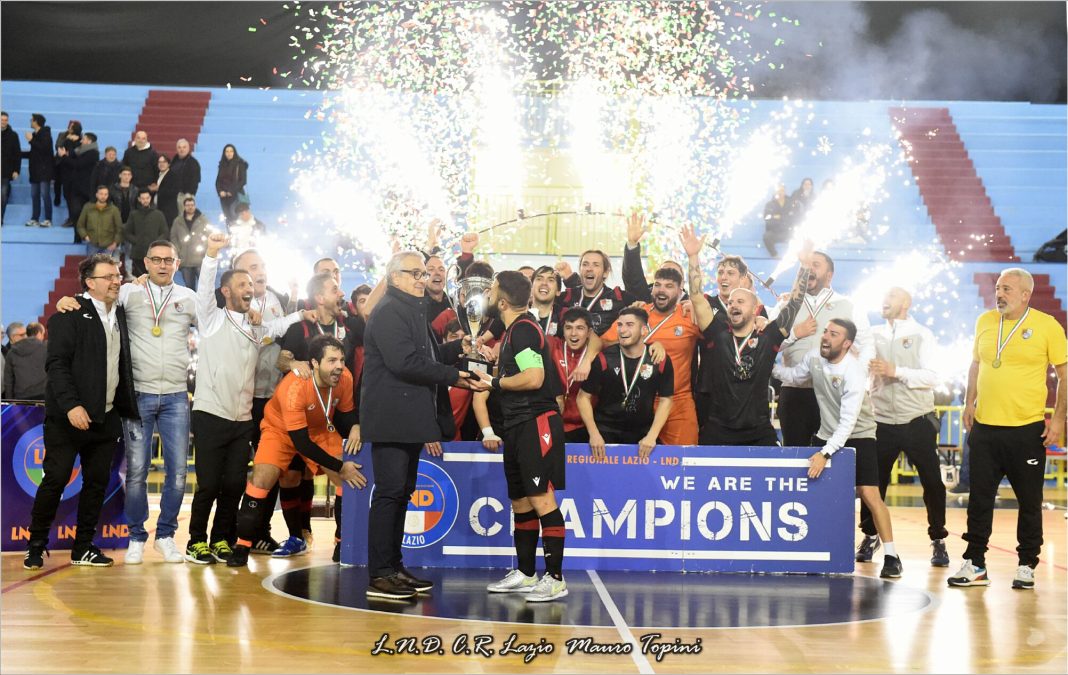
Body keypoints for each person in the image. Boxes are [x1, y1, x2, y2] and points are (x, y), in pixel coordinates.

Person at [55, 241, 198, 565]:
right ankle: (136, 536)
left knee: (178, 473)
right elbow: (96, 297)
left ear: (177, 263)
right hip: (138, 397)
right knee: (136, 472)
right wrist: (68, 299)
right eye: (156, 259)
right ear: (146, 262)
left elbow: (215, 324)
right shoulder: (129, 292)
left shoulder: (188, 298)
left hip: (176, 394)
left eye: (169, 260)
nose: (163, 265)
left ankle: (165, 536)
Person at [360, 251, 488, 599]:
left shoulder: (410, 309)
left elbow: (426, 357)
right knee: (390, 494)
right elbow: (404, 362)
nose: (422, 279)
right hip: (391, 417)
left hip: (407, 417)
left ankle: (393, 567)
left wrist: (458, 348)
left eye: (423, 273)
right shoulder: (390, 310)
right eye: (414, 273)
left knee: (401, 493)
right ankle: (380, 574)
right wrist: (454, 377)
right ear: (394, 277)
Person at [185, 233, 308, 565]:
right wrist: (212, 253)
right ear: (226, 291)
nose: (249, 288)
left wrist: (302, 314)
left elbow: (278, 326)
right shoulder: (211, 319)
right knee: (209, 485)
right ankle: (196, 541)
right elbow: (204, 287)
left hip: (242, 418)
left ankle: (221, 539)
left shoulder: (256, 329)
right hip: (210, 414)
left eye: (251, 285)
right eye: (242, 283)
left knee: (234, 485)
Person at [949, 268, 1066, 590]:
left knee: (1029, 501)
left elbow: (1064, 374)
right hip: (985, 428)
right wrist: (969, 402)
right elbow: (976, 364)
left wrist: (1059, 419)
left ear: (1026, 294)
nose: (999, 294)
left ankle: (1027, 563)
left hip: (1026, 429)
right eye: (998, 288)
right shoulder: (985, 321)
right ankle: (975, 563)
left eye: (1007, 289)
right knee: (979, 499)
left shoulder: (1047, 326)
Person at [24, 254, 138, 570]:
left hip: (106, 416)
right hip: (67, 418)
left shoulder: (121, 313)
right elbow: (56, 365)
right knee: (55, 479)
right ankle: (35, 545)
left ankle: (83, 547)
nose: (116, 281)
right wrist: (72, 405)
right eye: (108, 277)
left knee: (97, 484)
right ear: (89, 282)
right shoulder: (68, 314)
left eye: (118, 276)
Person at [773, 318, 903, 579]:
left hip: (859, 434)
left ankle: (892, 556)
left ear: (846, 344)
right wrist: (769, 363)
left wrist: (825, 453)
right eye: (825, 332)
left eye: (834, 334)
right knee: (815, 493)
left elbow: (848, 423)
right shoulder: (814, 358)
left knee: (869, 493)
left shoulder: (853, 372)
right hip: (826, 434)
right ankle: (817, 551)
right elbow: (793, 376)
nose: (825, 337)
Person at [228, 335, 367, 568]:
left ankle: (342, 542)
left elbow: (347, 412)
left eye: (342, 360)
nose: (339, 366)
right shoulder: (294, 386)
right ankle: (243, 544)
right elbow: (301, 443)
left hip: (320, 429)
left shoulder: (344, 377)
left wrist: (355, 426)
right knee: (261, 480)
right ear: (315, 363)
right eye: (332, 360)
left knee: (348, 479)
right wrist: (339, 466)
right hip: (280, 430)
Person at [474, 271, 569, 602]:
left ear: (502, 302)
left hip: (535, 422)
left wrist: (493, 383)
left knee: (542, 499)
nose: (487, 294)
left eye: (492, 290)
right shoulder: (513, 330)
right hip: (516, 423)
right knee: (520, 501)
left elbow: (533, 377)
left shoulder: (525, 329)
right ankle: (527, 573)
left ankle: (554, 578)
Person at [682, 225, 811, 445]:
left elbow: (794, 304)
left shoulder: (768, 337)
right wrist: (693, 256)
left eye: (740, 301)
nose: (733, 305)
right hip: (717, 429)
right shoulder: (717, 334)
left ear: (755, 309)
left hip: (758, 431)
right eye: (731, 302)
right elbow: (696, 297)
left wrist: (805, 266)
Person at [860, 287, 950, 567]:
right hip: (880, 420)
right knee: (872, 483)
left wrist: (895, 371)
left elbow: (934, 376)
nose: (884, 300)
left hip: (917, 420)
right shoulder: (872, 334)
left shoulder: (922, 334)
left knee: (932, 483)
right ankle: (870, 535)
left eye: (892, 296)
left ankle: (938, 539)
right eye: (884, 295)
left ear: (906, 303)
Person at [273, 271, 349, 558]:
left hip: (336, 409)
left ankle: (342, 540)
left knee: (341, 474)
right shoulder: (301, 327)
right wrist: (295, 363)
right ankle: (298, 535)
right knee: (292, 475)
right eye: (334, 289)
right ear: (319, 297)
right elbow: (281, 360)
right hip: (301, 411)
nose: (340, 294)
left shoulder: (348, 325)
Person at [778, 251, 873, 447]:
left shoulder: (849, 305)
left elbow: (866, 345)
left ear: (830, 275)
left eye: (816, 265)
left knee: (834, 455)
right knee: (795, 455)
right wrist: (795, 333)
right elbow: (771, 345)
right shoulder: (786, 305)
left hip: (834, 392)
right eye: (806, 265)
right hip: (795, 393)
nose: (809, 269)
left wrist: (857, 376)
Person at [577, 306, 675, 459]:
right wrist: (594, 433)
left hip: (643, 434)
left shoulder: (658, 360)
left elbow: (666, 400)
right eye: (619, 325)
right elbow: (582, 397)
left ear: (644, 330)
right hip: (605, 432)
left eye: (629, 325)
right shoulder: (604, 359)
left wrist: (652, 436)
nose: (622, 330)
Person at [555, 250, 639, 336]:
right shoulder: (566, 298)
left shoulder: (620, 298)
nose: (589, 269)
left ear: (605, 273)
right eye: (585, 264)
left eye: (596, 265)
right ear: (580, 270)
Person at [549, 307, 594, 442]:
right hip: (555, 424)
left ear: (589, 332)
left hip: (585, 427)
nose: (573, 333)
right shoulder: (553, 346)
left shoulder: (595, 355)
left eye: (580, 328)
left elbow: (602, 341)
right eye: (568, 328)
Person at [62, 132, 100, 240]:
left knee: (85, 214)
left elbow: (77, 164)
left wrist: (64, 156)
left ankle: (86, 236)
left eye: (83, 139)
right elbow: (72, 153)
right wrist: (70, 141)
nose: (81, 141)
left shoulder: (93, 153)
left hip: (87, 190)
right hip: (76, 189)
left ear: (89, 141)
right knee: (75, 212)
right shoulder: (80, 151)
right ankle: (78, 237)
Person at [124, 191, 170, 277]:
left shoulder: (158, 214)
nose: (145, 200)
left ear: (150, 198)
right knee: (140, 280)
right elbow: (127, 232)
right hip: (138, 254)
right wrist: (136, 241)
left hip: (155, 254)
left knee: (155, 278)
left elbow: (165, 232)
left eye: (147, 198)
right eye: (143, 198)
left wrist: (156, 243)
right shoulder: (134, 214)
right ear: (139, 199)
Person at [170, 196, 211, 290]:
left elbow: (209, 234)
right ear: (184, 207)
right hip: (185, 260)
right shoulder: (178, 221)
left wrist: (204, 249)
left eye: (192, 205)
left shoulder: (203, 220)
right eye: (188, 205)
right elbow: (173, 236)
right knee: (189, 288)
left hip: (200, 260)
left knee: (205, 287)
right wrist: (178, 250)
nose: (190, 207)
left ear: (195, 206)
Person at [3, 321, 47, 400]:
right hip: (44, 395)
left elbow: (8, 382)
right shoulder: (42, 346)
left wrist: (10, 401)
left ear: (12, 337)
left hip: (22, 399)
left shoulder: (11, 354)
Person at [24, 114, 54, 228]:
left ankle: (48, 219)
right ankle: (35, 218)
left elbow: (44, 149)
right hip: (35, 170)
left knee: (45, 194)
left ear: (36, 122)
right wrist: (18, 154)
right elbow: (34, 153)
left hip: (44, 170)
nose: (30, 121)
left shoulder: (46, 134)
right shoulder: (35, 135)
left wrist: (31, 140)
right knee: (34, 195)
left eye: (31, 120)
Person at [77, 185, 123, 256]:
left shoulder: (114, 210)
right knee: (92, 263)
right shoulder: (88, 208)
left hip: (108, 246)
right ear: (96, 195)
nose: (103, 196)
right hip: (92, 244)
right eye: (101, 194)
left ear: (108, 196)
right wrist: (85, 236)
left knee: (105, 263)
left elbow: (119, 228)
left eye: (105, 194)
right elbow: (80, 225)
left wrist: (115, 243)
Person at [215, 144, 247, 222]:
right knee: (228, 217)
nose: (229, 153)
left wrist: (231, 191)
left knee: (237, 216)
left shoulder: (240, 164)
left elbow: (243, 181)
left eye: (231, 151)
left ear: (234, 152)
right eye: (227, 151)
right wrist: (220, 191)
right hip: (224, 197)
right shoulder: (222, 165)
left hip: (238, 195)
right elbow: (218, 181)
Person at [529, 265, 564, 338]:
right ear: (531, 287)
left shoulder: (564, 317)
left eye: (550, 280)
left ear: (558, 291)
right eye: (539, 279)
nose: (544, 283)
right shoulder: (519, 314)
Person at [170, 139, 201, 216]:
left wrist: (189, 194)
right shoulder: (174, 160)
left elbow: (195, 180)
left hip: (185, 195)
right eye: (179, 147)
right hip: (173, 194)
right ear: (176, 149)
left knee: (184, 216)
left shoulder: (193, 163)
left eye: (184, 147)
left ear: (188, 148)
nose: (182, 149)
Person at [2, 111, 22, 223]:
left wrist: (16, 170)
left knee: (3, 194)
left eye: (6, 120)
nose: (3, 122)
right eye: (2, 120)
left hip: (6, 171)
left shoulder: (13, 135)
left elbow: (17, 154)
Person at [150, 155, 181, 227]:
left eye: (164, 162)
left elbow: (173, 192)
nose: (161, 164)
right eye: (159, 162)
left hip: (168, 211)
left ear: (169, 164)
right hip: (157, 208)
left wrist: (158, 189)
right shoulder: (157, 175)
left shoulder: (173, 176)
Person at [763, 183, 790, 257]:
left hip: (788, 231)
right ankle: (774, 254)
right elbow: (766, 218)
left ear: (785, 191)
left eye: (782, 190)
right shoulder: (769, 204)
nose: (780, 192)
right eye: (778, 191)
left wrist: (777, 217)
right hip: (775, 232)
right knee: (766, 237)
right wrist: (774, 217)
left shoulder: (791, 203)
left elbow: (793, 217)